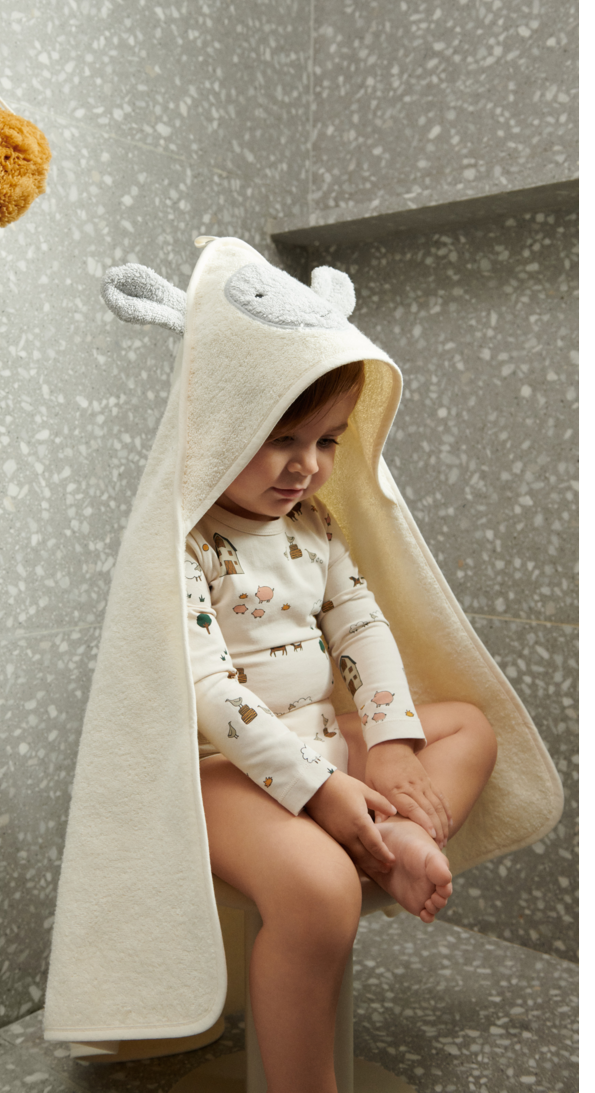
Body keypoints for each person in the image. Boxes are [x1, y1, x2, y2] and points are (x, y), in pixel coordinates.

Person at [187, 360, 498, 1093]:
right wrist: (320, 788)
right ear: (218, 430)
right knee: (325, 892)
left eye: (327, 440)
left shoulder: (312, 524)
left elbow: (360, 628)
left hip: (316, 736)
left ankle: (395, 836)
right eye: (284, 439)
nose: (308, 465)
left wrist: (390, 745)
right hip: (215, 768)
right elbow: (208, 692)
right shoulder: (186, 539)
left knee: (468, 729)